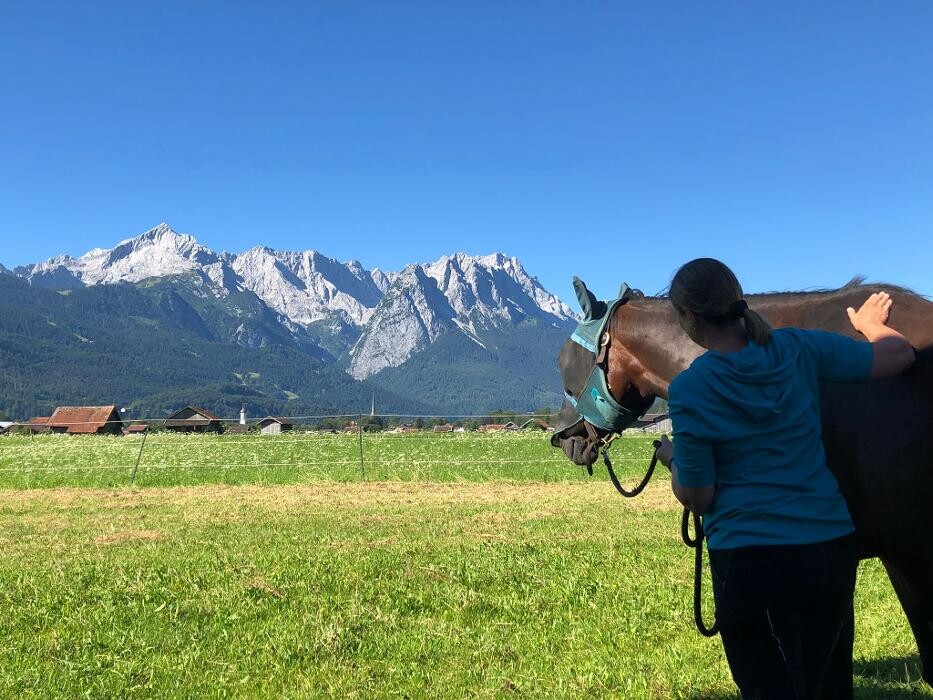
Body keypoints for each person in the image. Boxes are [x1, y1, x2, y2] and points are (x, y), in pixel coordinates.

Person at [654, 258, 916, 699]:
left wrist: (674, 461)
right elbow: (900, 355)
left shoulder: (691, 389)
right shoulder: (801, 348)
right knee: (827, 685)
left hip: (747, 560)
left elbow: (699, 496)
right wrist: (872, 325)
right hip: (827, 551)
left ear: (689, 318)